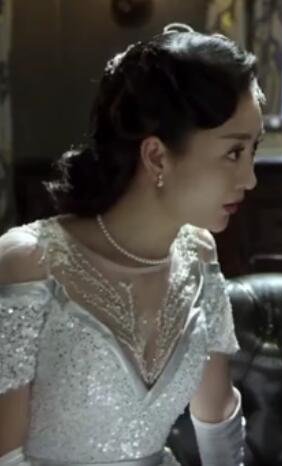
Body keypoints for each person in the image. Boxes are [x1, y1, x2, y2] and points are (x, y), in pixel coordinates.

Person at [0, 23, 264, 466]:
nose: (250, 179)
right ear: (157, 155)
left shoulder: (199, 255)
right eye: (234, 153)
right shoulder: (28, 263)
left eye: (253, 151)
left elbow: (217, 415)